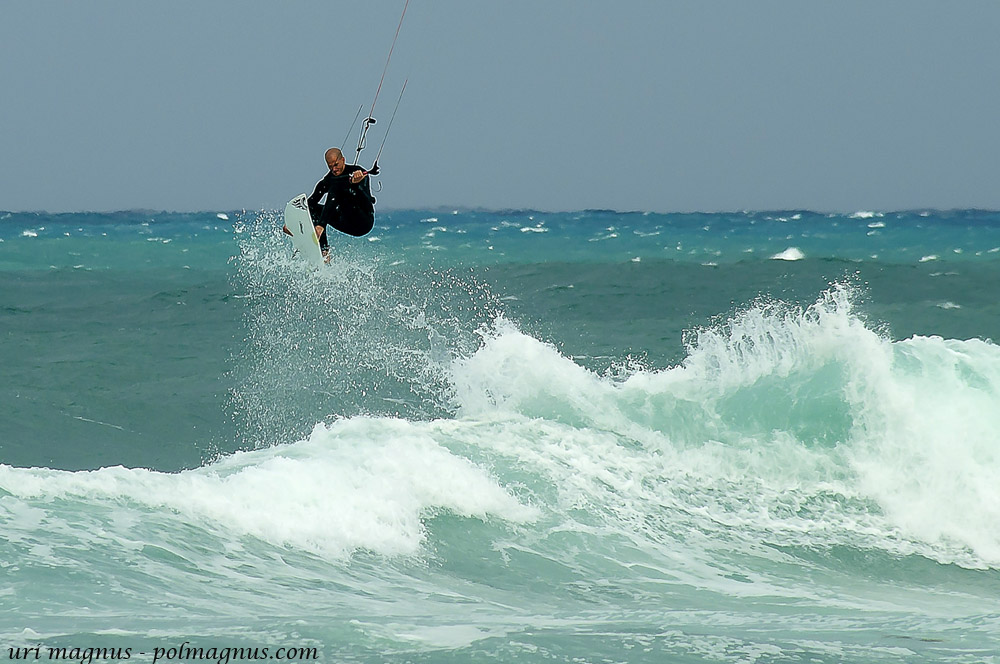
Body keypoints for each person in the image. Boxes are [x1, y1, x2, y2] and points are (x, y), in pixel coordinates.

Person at [306, 147, 377, 254]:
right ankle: (324, 251)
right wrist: (293, 222)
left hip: (363, 222)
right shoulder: (329, 179)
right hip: (345, 221)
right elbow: (311, 202)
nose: (334, 169)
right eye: (330, 167)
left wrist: (355, 184)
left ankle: (320, 227)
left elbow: (366, 198)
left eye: (336, 165)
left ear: (343, 160)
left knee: (336, 188)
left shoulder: (359, 172)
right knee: (314, 209)